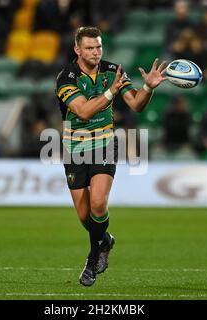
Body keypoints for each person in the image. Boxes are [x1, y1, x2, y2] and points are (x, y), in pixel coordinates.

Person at [55, 26, 168, 286]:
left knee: (97, 205)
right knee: (86, 217)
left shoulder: (112, 71)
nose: (95, 52)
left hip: (104, 145)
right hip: (74, 149)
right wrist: (110, 93)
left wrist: (149, 88)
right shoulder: (66, 78)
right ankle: (105, 241)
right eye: (89, 48)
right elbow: (82, 111)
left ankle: (93, 259)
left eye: (98, 47)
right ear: (77, 50)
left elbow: (136, 104)